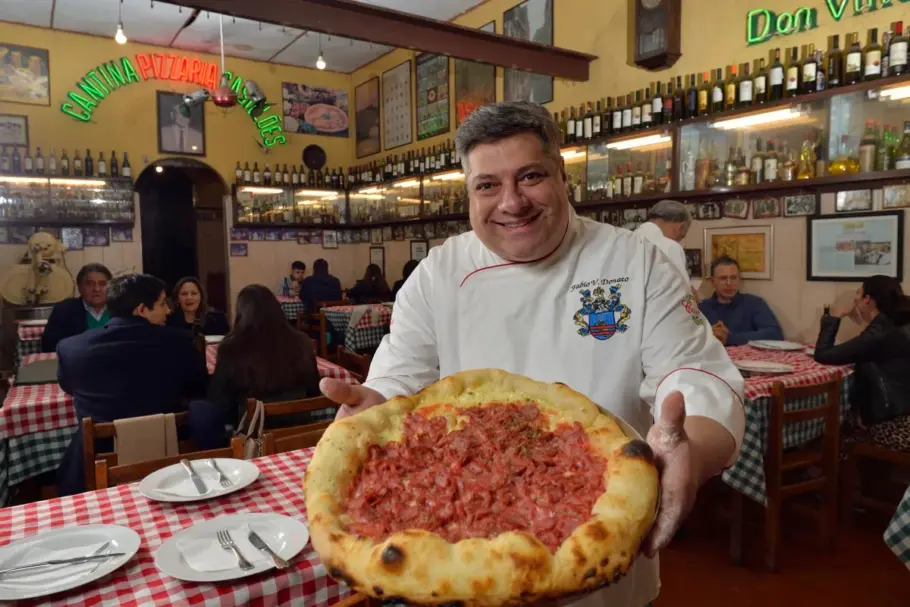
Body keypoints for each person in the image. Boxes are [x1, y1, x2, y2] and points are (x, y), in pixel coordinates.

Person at [319, 102, 744, 607]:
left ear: (562, 176)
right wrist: (373, 411)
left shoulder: (635, 261)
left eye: (530, 176)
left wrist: (688, 456)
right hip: (460, 568)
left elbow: (697, 376)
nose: (512, 202)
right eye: (487, 185)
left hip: (603, 574)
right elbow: (396, 386)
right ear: (468, 193)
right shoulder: (439, 273)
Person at [55, 274, 211, 496]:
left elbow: (69, 387)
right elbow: (199, 389)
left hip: (101, 453)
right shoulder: (180, 343)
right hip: (171, 448)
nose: (168, 311)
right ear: (141, 310)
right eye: (160, 304)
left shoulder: (71, 349)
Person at [209, 284, 322, 427]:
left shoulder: (232, 347)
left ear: (241, 313)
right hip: (298, 430)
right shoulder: (301, 341)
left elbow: (219, 402)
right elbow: (313, 391)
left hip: (252, 434)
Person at [814, 275, 910, 427]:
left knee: (835, 428)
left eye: (858, 294)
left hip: (892, 422)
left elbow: (823, 354)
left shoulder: (880, 332)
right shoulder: (899, 322)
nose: (854, 300)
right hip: (903, 410)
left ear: (867, 299)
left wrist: (834, 316)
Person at [699, 256, 784, 346]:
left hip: (749, 359)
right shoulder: (702, 308)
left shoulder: (754, 303)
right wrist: (708, 334)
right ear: (712, 282)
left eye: (733, 278)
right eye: (723, 278)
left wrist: (730, 338)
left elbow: (775, 335)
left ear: (739, 279)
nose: (729, 283)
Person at [41, 263, 112, 352]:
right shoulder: (64, 311)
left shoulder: (120, 310)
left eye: (102, 284)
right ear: (80, 288)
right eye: (90, 284)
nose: (97, 289)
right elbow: (49, 347)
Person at [635, 200, 690, 284]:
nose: (679, 241)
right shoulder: (671, 247)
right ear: (680, 227)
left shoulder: (624, 240)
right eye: (681, 236)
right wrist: (694, 297)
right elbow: (683, 291)